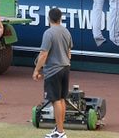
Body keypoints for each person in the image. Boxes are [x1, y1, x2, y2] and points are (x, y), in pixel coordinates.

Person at [33, 8, 73, 138]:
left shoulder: (48, 33)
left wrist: (36, 70)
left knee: (55, 100)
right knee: (61, 99)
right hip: (65, 68)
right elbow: (69, 53)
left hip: (53, 71)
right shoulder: (66, 32)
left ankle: (60, 132)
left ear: (49, 18)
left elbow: (44, 54)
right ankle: (59, 128)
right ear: (60, 18)